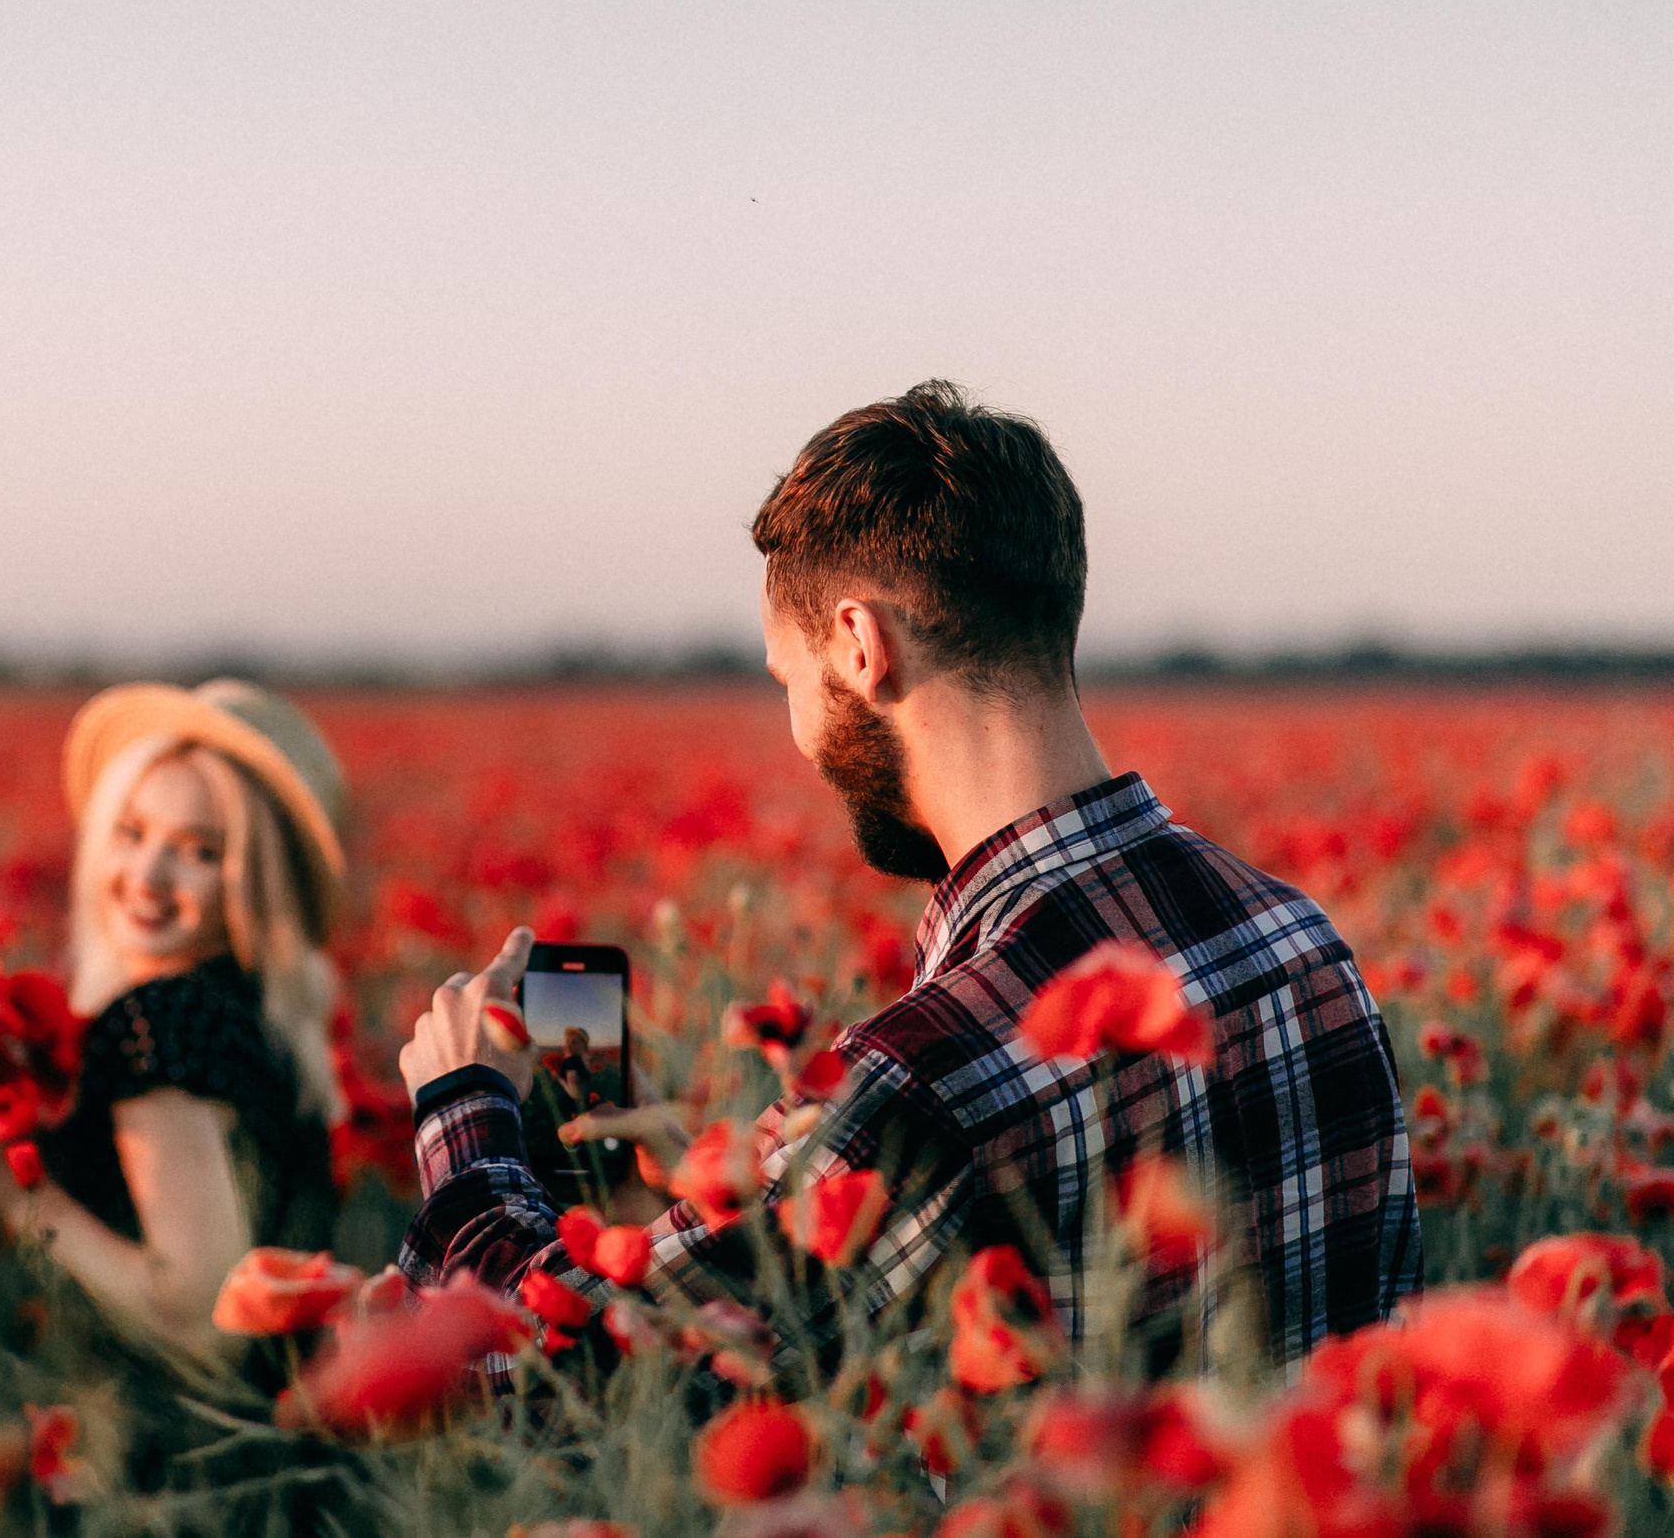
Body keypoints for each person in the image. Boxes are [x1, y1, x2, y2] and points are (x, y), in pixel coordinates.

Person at [394, 381, 1421, 1374]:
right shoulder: (1302, 941)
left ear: (857, 646)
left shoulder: (928, 1075)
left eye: (787, 679)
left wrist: (464, 1104)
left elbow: (543, 1376)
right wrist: (701, 1186)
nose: (797, 730)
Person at [0, 678, 345, 1363]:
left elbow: (199, 1319)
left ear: (255, 877)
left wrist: (14, 1192)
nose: (146, 874)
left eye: (200, 852)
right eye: (132, 832)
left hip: (158, 1446)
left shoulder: (162, 1022)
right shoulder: (258, 1015)